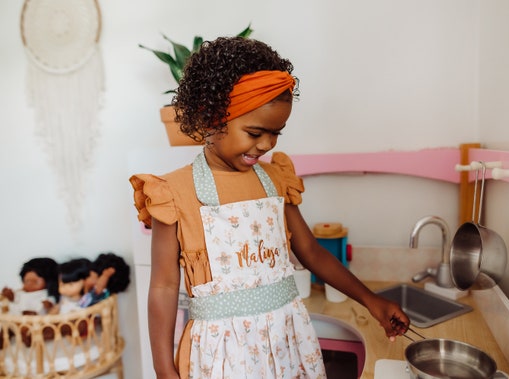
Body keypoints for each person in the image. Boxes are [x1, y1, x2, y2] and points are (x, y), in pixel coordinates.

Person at [130, 36, 409, 379]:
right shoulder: (174, 192)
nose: (266, 144)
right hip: (221, 356)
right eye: (254, 132)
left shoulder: (275, 180)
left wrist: (372, 300)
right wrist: (163, 367)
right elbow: (162, 286)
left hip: (287, 343)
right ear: (209, 116)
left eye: (276, 133)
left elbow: (310, 251)